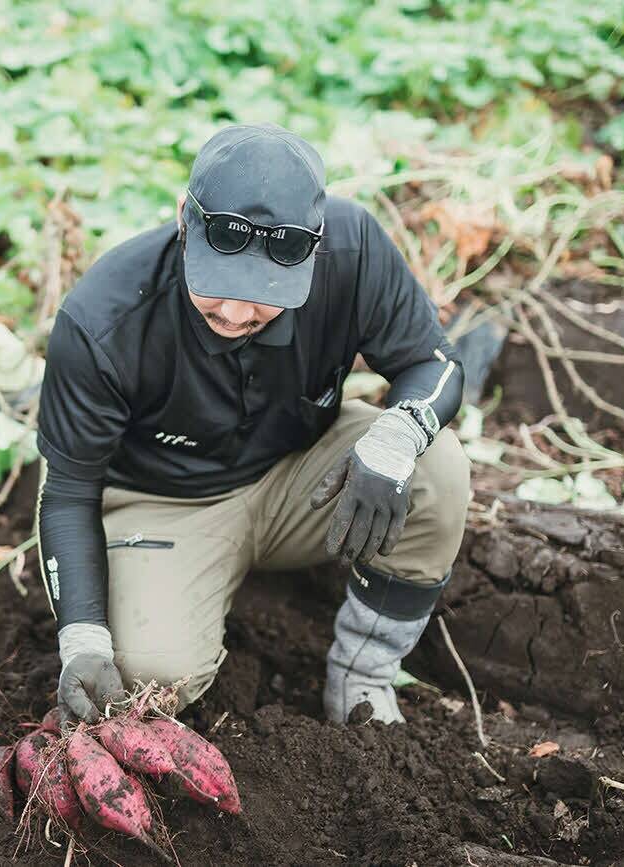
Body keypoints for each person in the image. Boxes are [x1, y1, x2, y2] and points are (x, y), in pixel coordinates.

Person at [35, 122, 470, 727]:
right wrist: (81, 640)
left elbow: (434, 363)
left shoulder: (354, 249)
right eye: (219, 285)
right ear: (186, 219)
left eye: (269, 293)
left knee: (436, 466)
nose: (239, 312)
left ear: (314, 248)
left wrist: (397, 438)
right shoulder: (104, 320)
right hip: (165, 502)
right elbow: (66, 494)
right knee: (143, 679)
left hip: (304, 474)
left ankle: (363, 677)